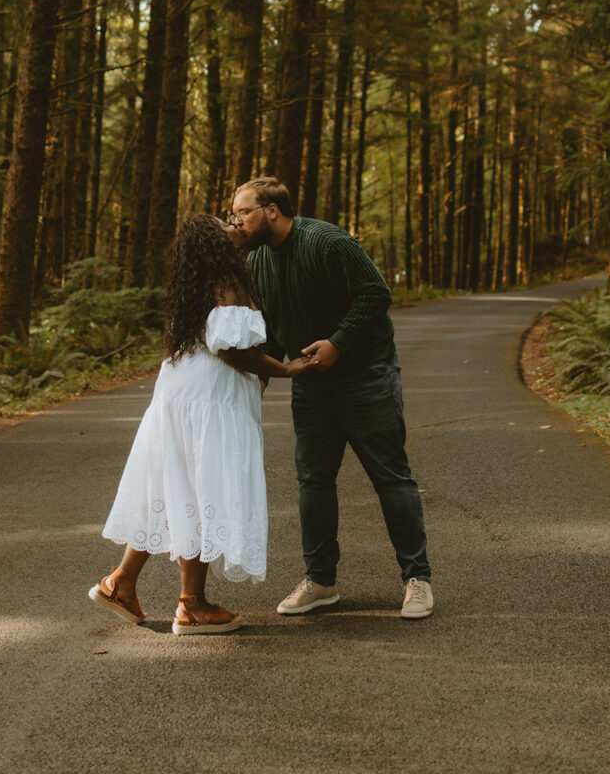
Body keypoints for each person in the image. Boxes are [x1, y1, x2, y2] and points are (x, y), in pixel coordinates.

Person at [89, 214, 313, 635]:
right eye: (224, 222)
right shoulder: (227, 281)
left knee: (175, 489)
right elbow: (232, 351)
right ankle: (192, 605)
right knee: (201, 490)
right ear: (214, 241)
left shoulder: (193, 287)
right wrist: (289, 370)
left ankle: (121, 583)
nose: (234, 224)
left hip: (179, 398)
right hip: (208, 402)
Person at [229, 177, 433, 620]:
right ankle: (320, 581)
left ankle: (417, 580)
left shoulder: (327, 241)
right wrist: (262, 378)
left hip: (367, 376)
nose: (237, 221)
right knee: (313, 483)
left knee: (391, 477)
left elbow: (376, 294)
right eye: (234, 215)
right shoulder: (259, 261)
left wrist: (338, 343)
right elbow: (273, 329)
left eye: (243, 212)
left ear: (271, 211)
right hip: (310, 385)